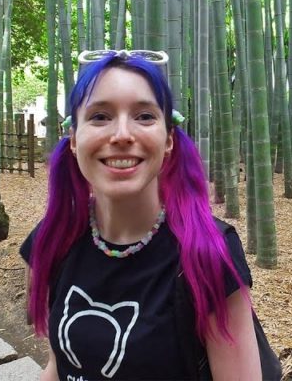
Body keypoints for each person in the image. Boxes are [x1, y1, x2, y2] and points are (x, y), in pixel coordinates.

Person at [20, 50, 264, 381]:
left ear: (169, 140)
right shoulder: (53, 241)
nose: (122, 134)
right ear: (74, 140)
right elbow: (57, 367)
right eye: (100, 116)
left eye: (145, 116)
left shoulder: (207, 254)